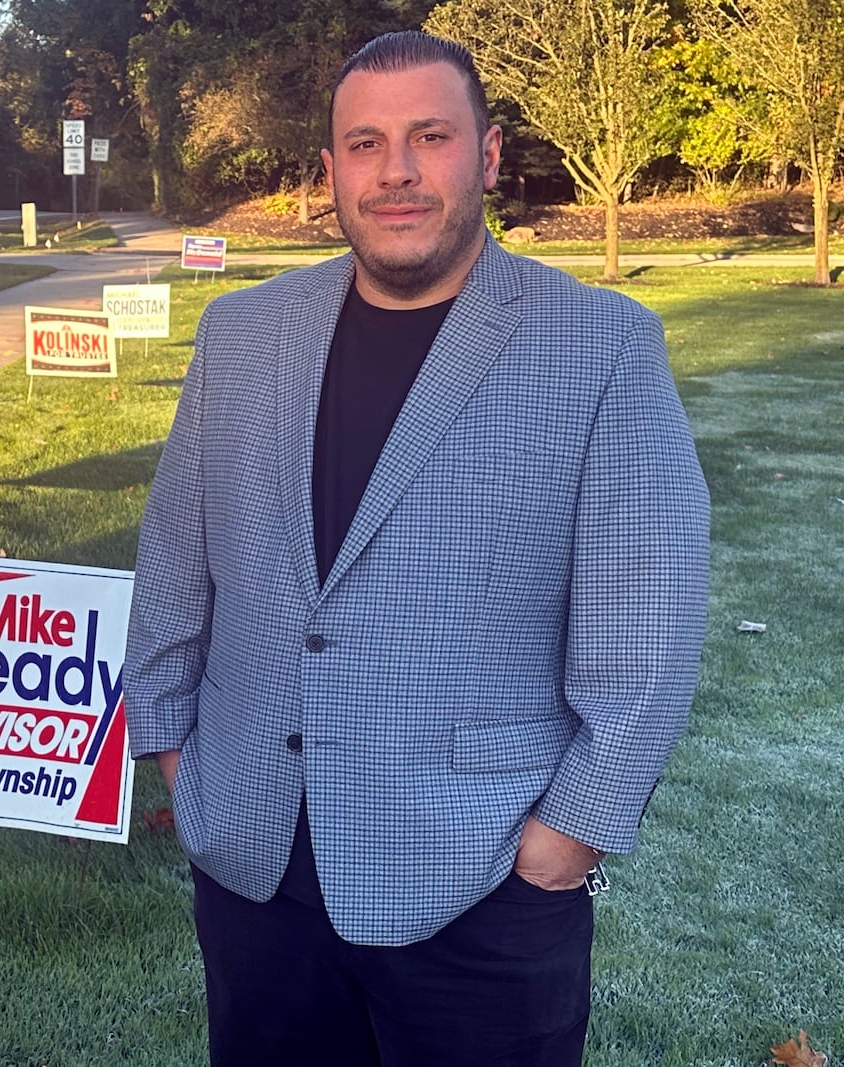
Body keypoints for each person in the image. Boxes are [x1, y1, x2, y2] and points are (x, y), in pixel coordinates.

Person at [123, 29, 710, 1067]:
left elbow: (648, 629)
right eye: (364, 144)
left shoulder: (603, 347)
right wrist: (177, 758)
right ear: (329, 173)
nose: (395, 171)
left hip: (481, 883)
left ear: (484, 157)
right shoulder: (241, 336)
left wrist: (564, 840)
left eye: (429, 137)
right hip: (258, 869)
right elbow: (176, 560)